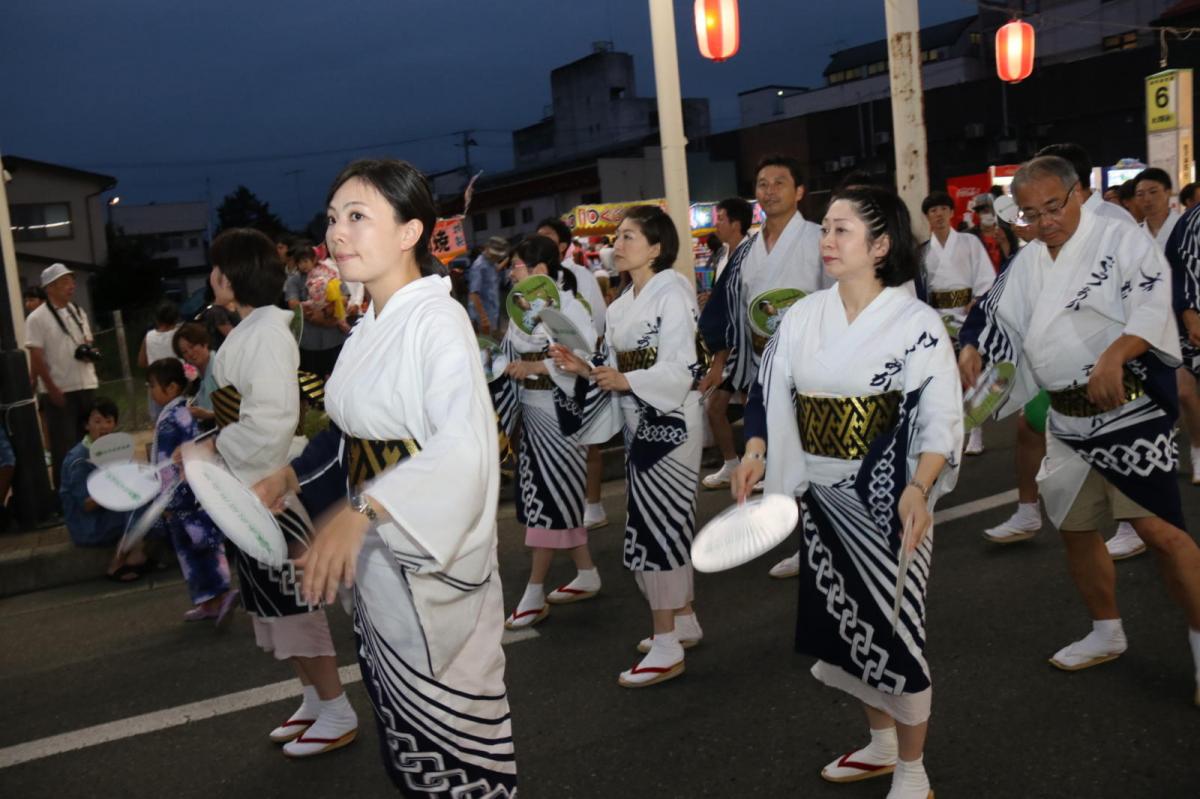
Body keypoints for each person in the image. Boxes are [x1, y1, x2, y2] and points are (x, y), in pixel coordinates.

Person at [254, 159, 517, 794]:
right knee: (404, 738)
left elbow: (465, 449)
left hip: (427, 567)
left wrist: (363, 510)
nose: (336, 234)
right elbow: (349, 431)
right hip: (382, 564)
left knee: (457, 747)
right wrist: (289, 476)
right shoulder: (370, 324)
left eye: (358, 217)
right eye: (333, 220)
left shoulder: (437, 324)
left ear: (409, 232)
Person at [731, 184, 961, 799]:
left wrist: (920, 485)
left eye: (841, 231)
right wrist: (756, 451)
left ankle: (914, 769)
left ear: (880, 245)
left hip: (890, 501)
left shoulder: (916, 323)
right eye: (825, 230)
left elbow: (940, 415)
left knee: (897, 633)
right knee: (847, 628)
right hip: (823, 502)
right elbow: (766, 392)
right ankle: (882, 742)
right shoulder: (804, 315)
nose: (826, 242)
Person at [960, 156, 1200, 703]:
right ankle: (1106, 630)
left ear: (1077, 195)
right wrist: (972, 346)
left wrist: (1116, 354)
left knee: (1160, 532)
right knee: (1073, 527)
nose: (1045, 221)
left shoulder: (1117, 239)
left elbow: (1150, 300)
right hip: (1067, 419)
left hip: (1127, 409)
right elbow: (992, 311)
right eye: (1030, 213)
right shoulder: (1026, 264)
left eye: (1053, 206)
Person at [198, 227, 357, 759]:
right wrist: (215, 445)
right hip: (251, 481)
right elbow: (246, 415)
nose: (212, 277)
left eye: (218, 268)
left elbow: (271, 418)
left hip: (268, 486)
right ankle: (313, 698)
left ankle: (336, 706)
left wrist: (218, 448)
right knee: (272, 600)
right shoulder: (254, 327)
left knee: (291, 601)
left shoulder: (264, 333)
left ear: (236, 273)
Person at [552, 205, 704, 688]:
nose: (617, 245)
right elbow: (609, 370)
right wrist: (581, 369)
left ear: (657, 248)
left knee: (658, 526)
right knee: (663, 524)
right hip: (641, 422)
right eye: (616, 237)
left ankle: (664, 643)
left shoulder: (674, 293)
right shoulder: (618, 306)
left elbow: (682, 365)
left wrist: (625, 377)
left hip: (672, 422)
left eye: (629, 237)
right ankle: (682, 620)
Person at [498, 235, 606, 630]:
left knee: (547, 498)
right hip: (533, 412)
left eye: (518, 267)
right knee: (548, 496)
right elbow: (511, 356)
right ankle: (587, 571)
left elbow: (587, 358)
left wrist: (538, 368)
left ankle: (534, 590)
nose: (512, 274)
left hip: (560, 415)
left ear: (540, 270)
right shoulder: (520, 312)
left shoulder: (570, 307)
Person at [145, 358, 238, 623]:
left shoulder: (173, 417)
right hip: (189, 493)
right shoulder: (181, 412)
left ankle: (217, 596)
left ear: (172, 387)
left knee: (197, 548)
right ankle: (211, 600)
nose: (151, 391)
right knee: (200, 545)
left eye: (153, 386)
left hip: (182, 495)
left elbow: (172, 461)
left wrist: (167, 499)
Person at [537, 216, 610, 530]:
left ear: (563, 245)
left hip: (579, 364)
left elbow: (598, 318)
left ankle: (594, 504)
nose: (541, 242)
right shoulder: (534, 283)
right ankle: (570, 502)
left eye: (548, 237)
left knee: (588, 439)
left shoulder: (580, 275)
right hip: (549, 370)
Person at [918, 190, 994, 456]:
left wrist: (979, 299)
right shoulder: (923, 252)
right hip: (938, 318)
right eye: (932, 211)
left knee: (971, 373)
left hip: (966, 314)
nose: (938, 214)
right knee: (944, 378)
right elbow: (920, 289)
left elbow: (985, 277)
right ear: (927, 217)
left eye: (942, 209)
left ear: (952, 212)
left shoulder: (969, 243)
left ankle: (976, 430)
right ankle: (949, 433)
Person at [25, 263, 99, 491]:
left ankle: (92, 487)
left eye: (71, 280)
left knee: (90, 441)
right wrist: (50, 387)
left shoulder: (78, 311)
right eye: (65, 282)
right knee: (64, 446)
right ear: (50, 288)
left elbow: (87, 342)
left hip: (86, 383)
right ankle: (65, 494)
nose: (72, 286)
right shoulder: (37, 318)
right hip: (59, 389)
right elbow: (36, 356)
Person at [697, 197, 754, 491]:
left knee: (752, 406)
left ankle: (759, 465)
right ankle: (732, 463)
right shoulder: (722, 256)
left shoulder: (751, 253)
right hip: (729, 349)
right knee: (716, 408)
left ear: (735, 223)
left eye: (719, 219)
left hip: (744, 347)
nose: (715, 224)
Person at [58, 398, 139, 578]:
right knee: (137, 510)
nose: (104, 426)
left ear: (115, 424)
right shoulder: (78, 459)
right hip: (87, 525)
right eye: (97, 421)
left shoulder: (115, 450)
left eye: (108, 421)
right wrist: (118, 484)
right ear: (86, 425)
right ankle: (116, 565)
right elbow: (86, 505)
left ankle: (138, 556)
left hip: (104, 515)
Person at [284, 240, 347, 380]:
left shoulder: (330, 273)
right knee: (311, 380)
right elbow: (292, 303)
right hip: (308, 340)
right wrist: (312, 308)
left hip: (333, 337)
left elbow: (344, 297)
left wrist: (329, 307)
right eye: (299, 262)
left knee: (337, 377)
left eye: (306, 261)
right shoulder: (293, 280)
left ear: (314, 259)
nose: (303, 265)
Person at [138, 301, 182, 423]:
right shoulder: (179, 334)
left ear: (157, 319)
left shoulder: (149, 336)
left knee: (160, 421)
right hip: (176, 385)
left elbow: (141, 362)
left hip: (156, 385)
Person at [172, 323, 217, 426]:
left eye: (192, 347)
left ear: (204, 343)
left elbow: (236, 411)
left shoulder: (219, 368)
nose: (190, 354)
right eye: (184, 352)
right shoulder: (200, 375)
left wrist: (207, 415)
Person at [468, 236, 508, 336]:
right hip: (481, 316)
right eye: (496, 256)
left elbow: (496, 270)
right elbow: (473, 294)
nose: (497, 258)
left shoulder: (490, 263)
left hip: (492, 311)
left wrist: (508, 259)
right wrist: (483, 318)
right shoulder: (479, 266)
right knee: (486, 344)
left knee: (493, 342)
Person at [967, 193, 1017, 272]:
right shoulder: (970, 236)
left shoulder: (1007, 233)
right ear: (977, 214)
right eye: (985, 211)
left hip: (1003, 280)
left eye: (992, 211)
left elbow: (1014, 261)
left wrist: (1004, 242)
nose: (989, 214)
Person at [1135, 167, 1182, 250]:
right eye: (1140, 194)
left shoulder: (1186, 227)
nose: (1146, 199)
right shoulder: (1134, 232)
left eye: (1153, 192)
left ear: (1168, 192)